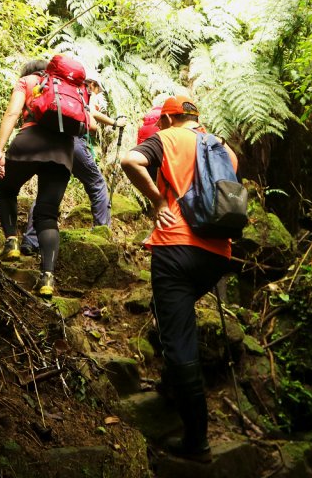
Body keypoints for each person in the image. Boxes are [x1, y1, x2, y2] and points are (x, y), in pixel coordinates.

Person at [120, 94, 237, 463]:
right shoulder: (224, 149)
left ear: (169, 119)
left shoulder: (167, 138)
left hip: (176, 248)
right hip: (217, 254)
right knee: (173, 314)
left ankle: (197, 442)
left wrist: (157, 201)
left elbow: (130, 160)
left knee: (179, 337)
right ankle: (175, 387)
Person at [0, 57, 95, 298]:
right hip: (62, 153)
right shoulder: (75, 91)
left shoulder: (27, 81)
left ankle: (11, 243)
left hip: (29, 143)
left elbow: (12, 113)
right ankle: (47, 278)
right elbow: (89, 125)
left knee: (6, 190)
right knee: (47, 215)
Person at [19, 71, 127, 255]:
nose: (98, 94)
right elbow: (91, 118)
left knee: (47, 190)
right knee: (97, 183)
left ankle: (30, 241)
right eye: (98, 89)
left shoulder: (60, 90)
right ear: (92, 84)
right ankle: (102, 233)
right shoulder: (84, 92)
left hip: (50, 141)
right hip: (73, 143)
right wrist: (114, 123)